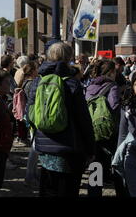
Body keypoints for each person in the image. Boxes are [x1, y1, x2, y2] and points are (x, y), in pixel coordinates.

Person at [26, 42, 96, 197]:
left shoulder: (38, 81)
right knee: (67, 190)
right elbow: (83, 119)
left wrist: (42, 128)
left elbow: (29, 113)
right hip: (69, 147)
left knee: (47, 189)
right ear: (68, 58)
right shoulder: (71, 83)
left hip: (44, 148)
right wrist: (91, 148)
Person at [85, 60, 128, 197]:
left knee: (95, 165)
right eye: (115, 71)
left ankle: (94, 194)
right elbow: (114, 107)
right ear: (110, 72)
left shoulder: (90, 85)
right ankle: (121, 192)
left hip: (93, 131)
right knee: (116, 164)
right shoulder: (112, 86)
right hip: (109, 133)